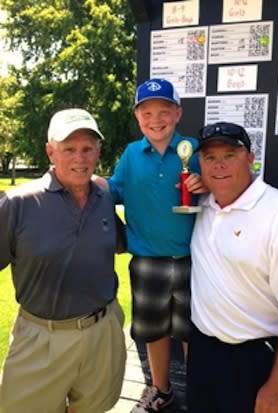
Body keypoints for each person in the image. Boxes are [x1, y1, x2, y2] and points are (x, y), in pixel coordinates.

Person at [0, 108, 126, 413]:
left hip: (102, 332)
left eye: (87, 149)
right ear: (50, 152)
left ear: (98, 152)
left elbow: (124, 242)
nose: (79, 159)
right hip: (41, 340)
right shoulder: (18, 203)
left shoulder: (104, 197)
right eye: (69, 149)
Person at [187, 121, 278, 413]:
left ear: (250, 159)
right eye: (210, 158)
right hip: (204, 353)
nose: (219, 165)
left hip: (258, 360)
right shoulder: (202, 205)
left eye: (229, 155)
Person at [106, 78, 206, 413]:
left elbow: (220, 189)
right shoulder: (132, 154)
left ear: (177, 113)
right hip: (148, 260)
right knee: (153, 332)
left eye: (164, 111)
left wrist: (204, 183)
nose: (155, 119)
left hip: (194, 260)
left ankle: (199, 393)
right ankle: (161, 391)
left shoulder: (193, 149)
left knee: (194, 333)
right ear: (138, 118)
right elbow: (112, 191)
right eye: (146, 112)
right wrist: (83, 180)